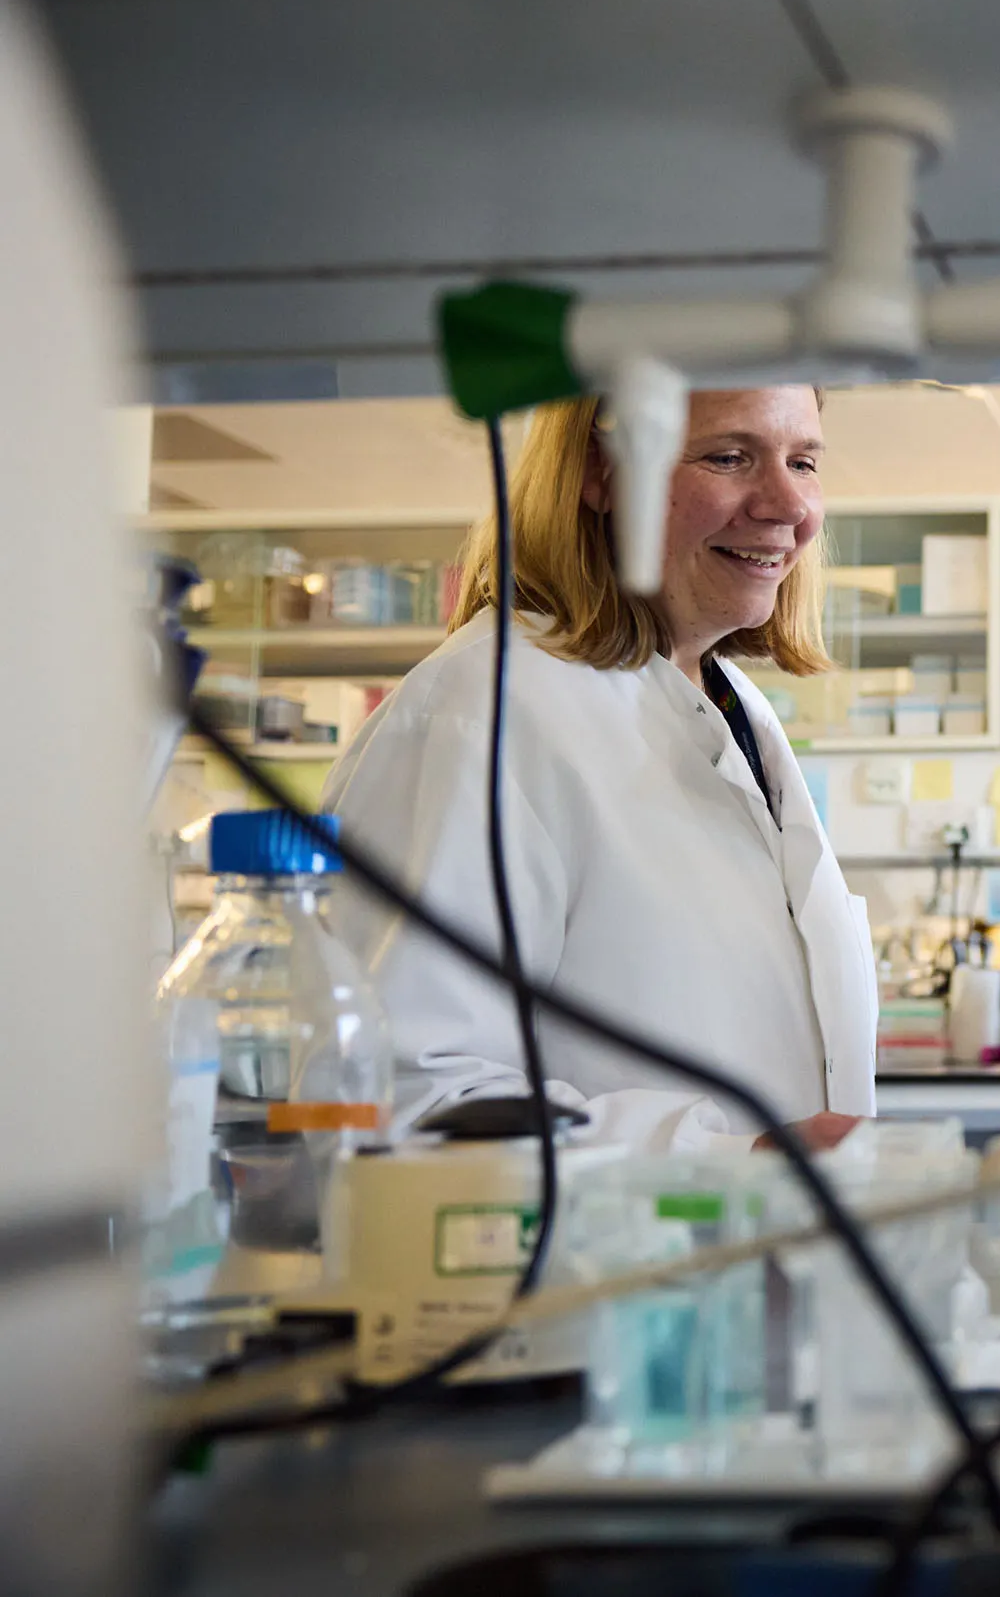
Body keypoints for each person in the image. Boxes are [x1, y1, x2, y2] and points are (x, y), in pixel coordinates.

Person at [324, 387, 876, 1153]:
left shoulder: (729, 707)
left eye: (804, 461)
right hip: (595, 1264)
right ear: (599, 472)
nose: (790, 505)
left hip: (747, 1259)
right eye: (729, 456)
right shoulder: (482, 708)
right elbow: (407, 1095)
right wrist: (732, 1163)